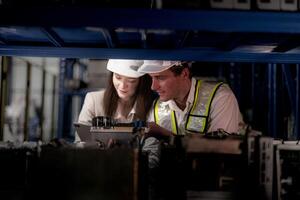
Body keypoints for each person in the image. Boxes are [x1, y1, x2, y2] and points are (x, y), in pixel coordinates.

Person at [138, 60, 244, 137]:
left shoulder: (220, 97)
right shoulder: (156, 107)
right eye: (151, 78)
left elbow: (221, 151)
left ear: (184, 74)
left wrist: (167, 136)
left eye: (160, 78)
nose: (153, 87)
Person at [75, 59, 155, 142]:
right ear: (112, 76)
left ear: (140, 81)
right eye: (118, 77)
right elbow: (80, 142)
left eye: (131, 80)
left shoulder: (150, 104)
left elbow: (152, 144)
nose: (123, 86)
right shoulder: (93, 100)